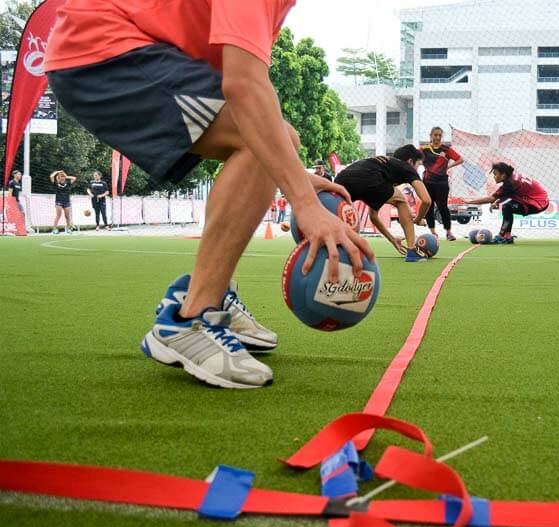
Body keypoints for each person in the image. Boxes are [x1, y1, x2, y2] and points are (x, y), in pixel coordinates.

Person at [45, 0, 372, 389]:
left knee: (278, 138)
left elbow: (246, 87)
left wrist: (294, 175)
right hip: (100, 50)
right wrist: (304, 203)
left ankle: (204, 294)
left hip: (120, 48)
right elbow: (243, 89)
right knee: (263, 138)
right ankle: (190, 319)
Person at [333, 145, 432, 262]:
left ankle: (330, 247)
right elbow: (426, 200)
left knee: (336, 213)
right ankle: (412, 251)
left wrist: (392, 239)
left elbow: (373, 216)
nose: (417, 168)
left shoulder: (383, 167)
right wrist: (418, 219)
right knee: (401, 201)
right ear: (410, 161)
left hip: (341, 179)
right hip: (369, 178)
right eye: (418, 164)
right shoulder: (406, 167)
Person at [461, 162, 549, 244]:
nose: (494, 177)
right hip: (537, 199)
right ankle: (507, 236)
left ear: (503, 175)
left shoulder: (510, 183)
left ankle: (501, 236)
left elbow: (491, 199)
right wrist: (498, 201)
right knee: (507, 206)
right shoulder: (512, 178)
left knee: (507, 207)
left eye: (495, 174)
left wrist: (470, 202)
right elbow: (511, 194)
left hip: (538, 203)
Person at [420, 126, 463, 241]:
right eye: (435, 135)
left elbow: (460, 159)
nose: (437, 137)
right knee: (428, 206)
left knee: (443, 207)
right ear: (431, 136)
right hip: (427, 182)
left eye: (439, 135)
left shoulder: (446, 149)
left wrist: (449, 165)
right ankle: (433, 232)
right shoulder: (424, 149)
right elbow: (412, 157)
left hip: (442, 183)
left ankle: (449, 232)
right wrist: (419, 163)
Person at [49, 170, 77, 234]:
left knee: (67, 216)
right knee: (58, 215)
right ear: (59, 177)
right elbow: (51, 176)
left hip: (66, 202)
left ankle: (68, 229)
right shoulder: (56, 183)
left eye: (63, 176)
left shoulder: (68, 183)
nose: (62, 178)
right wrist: (58, 172)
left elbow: (74, 178)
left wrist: (66, 176)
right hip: (59, 201)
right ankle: (54, 229)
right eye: (61, 176)